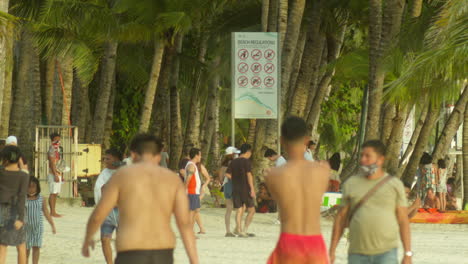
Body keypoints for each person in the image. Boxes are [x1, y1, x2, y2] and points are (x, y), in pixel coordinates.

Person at [82, 134, 198, 264]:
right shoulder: (173, 180)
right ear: (159, 156)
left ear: (133, 154)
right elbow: (184, 224)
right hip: (162, 250)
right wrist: (194, 259)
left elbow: (99, 214)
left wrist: (87, 239)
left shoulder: (121, 177)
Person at [330, 140, 412, 264]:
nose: (363, 159)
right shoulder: (351, 184)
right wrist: (332, 251)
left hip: (386, 252)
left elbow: (403, 220)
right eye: (362, 155)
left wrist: (407, 253)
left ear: (380, 159)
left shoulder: (394, 185)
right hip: (357, 253)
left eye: (367, 156)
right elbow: (341, 219)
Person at [265, 116, 330, 263]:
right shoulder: (323, 171)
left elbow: (280, 203)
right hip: (315, 242)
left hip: (289, 241)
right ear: (307, 140)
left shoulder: (274, 175)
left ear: (281, 140)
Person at [0, 145, 29, 264]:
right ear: (19, 159)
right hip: (16, 210)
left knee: (2, 246)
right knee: (21, 246)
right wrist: (21, 218)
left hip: (1, 209)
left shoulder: (1, 173)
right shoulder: (24, 175)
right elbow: (22, 196)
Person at [93, 148, 123, 264]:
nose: (105, 160)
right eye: (105, 158)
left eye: (108, 158)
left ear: (116, 159)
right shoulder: (104, 173)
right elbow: (99, 190)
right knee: (105, 239)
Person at [225, 144, 256, 238]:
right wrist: (252, 188)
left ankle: (239, 230)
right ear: (248, 152)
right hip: (245, 188)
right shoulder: (246, 162)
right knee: (251, 210)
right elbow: (249, 175)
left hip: (236, 188)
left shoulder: (233, 162)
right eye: (250, 152)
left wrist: (235, 179)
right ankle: (244, 230)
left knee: (239, 210)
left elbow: (227, 174)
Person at [25, 176, 56, 264]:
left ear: (37, 187)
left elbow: (46, 212)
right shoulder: (23, 198)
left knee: (36, 247)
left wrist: (52, 225)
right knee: (26, 250)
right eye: (28, 186)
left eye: (33, 186)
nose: (31, 189)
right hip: (25, 229)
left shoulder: (41, 199)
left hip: (37, 228)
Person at [219, 147, 238, 237]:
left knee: (228, 210)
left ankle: (228, 231)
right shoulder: (234, 163)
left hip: (226, 186)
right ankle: (237, 228)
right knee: (239, 208)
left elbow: (221, 178)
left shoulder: (223, 165)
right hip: (234, 186)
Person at [184, 148, 203, 235]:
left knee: (195, 211)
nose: (200, 157)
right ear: (196, 155)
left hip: (194, 192)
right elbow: (188, 179)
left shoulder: (192, 165)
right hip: (192, 192)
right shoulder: (191, 166)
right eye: (200, 155)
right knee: (192, 213)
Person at [47, 132, 63, 217]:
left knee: (55, 193)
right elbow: (52, 163)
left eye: (59, 139)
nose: (58, 141)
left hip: (57, 172)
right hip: (53, 173)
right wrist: (55, 174)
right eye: (57, 139)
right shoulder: (52, 149)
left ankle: (53, 211)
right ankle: (52, 212)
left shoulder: (57, 149)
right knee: (53, 193)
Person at [194, 162, 211, 235]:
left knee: (195, 209)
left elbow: (208, 178)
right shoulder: (189, 164)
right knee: (195, 209)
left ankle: (201, 228)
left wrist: (204, 186)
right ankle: (202, 229)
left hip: (200, 188)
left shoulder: (199, 165)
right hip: (194, 189)